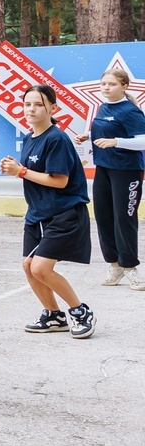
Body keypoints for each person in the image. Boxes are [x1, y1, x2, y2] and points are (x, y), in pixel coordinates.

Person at [0, 86, 95, 338]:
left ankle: (80, 311)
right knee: (28, 266)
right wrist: (17, 168)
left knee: (40, 268)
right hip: (38, 214)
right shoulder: (31, 138)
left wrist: (20, 171)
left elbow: (59, 181)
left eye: (38, 104)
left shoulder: (56, 138)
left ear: (53, 109)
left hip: (64, 212)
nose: (31, 109)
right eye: (27, 104)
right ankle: (53, 315)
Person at [72, 69, 145, 290]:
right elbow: (105, 129)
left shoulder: (130, 111)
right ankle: (114, 265)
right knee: (104, 218)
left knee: (124, 218)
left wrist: (117, 142)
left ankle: (131, 267)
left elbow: (143, 141)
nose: (106, 88)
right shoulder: (103, 107)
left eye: (111, 84)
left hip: (127, 171)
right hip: (103, 169)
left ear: (124, 86)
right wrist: (88, 135)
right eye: (103, 84)